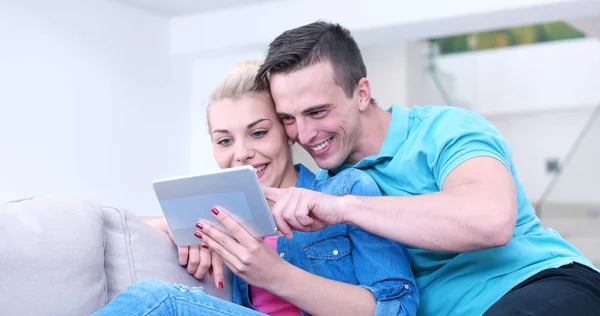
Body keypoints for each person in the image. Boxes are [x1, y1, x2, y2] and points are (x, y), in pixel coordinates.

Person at [251, 21, 600, 316]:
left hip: (542, 284)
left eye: (317, 112)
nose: (305, 134)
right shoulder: (318, 192)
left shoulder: (443, 130)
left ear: (361, 93)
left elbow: (491, 220)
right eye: (288, 119)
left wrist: (345, 209)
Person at [92, 60, 419, 316]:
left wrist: (274, 274)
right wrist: (187, 228)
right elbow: (126, 228)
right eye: (224, 140)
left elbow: (396, 308)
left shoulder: (347, 191)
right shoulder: (221, 210)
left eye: (258, 133)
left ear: (287, 131)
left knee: (159, 301)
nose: (241, 153)